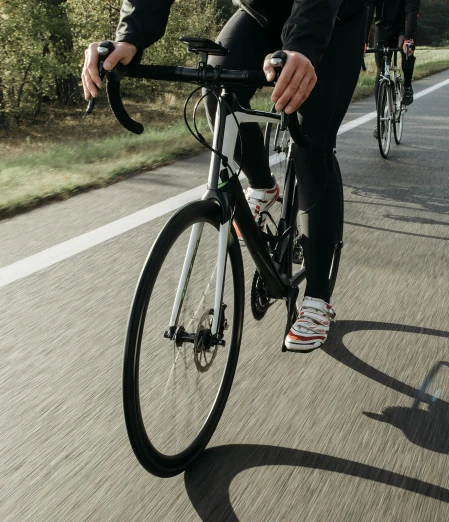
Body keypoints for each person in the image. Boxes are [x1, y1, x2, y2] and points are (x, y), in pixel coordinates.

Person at [81, 0, 368, 351]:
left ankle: (318, 299)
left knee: (311, 144)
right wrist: (130, 37)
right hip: (262, 11)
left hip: (332, 17)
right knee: (217, 93)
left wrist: (304, 45)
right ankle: (263, 186)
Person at [367, 0, 419, 142]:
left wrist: (408, 38)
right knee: (380, 72)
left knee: (406, 52)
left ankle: (407, 85)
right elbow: (369, 9)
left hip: (403, 27)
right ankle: (380, 120)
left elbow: (412, 12)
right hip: (382, 28)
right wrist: (364, 39)